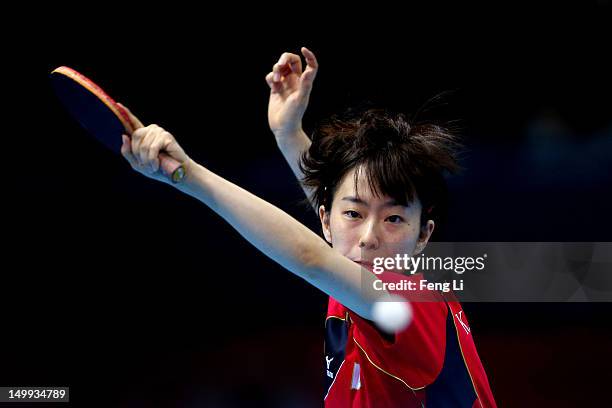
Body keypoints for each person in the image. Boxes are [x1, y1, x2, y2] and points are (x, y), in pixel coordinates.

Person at [118, 47, 496, 407]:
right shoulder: (354, 279)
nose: (368, 238)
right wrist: (288, 133)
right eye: (355, 216)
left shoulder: (410, 303)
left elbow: (310, 257)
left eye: (394, 219)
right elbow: (336, 207)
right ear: (326, 222)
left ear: (423, 236)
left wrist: (189, 176)